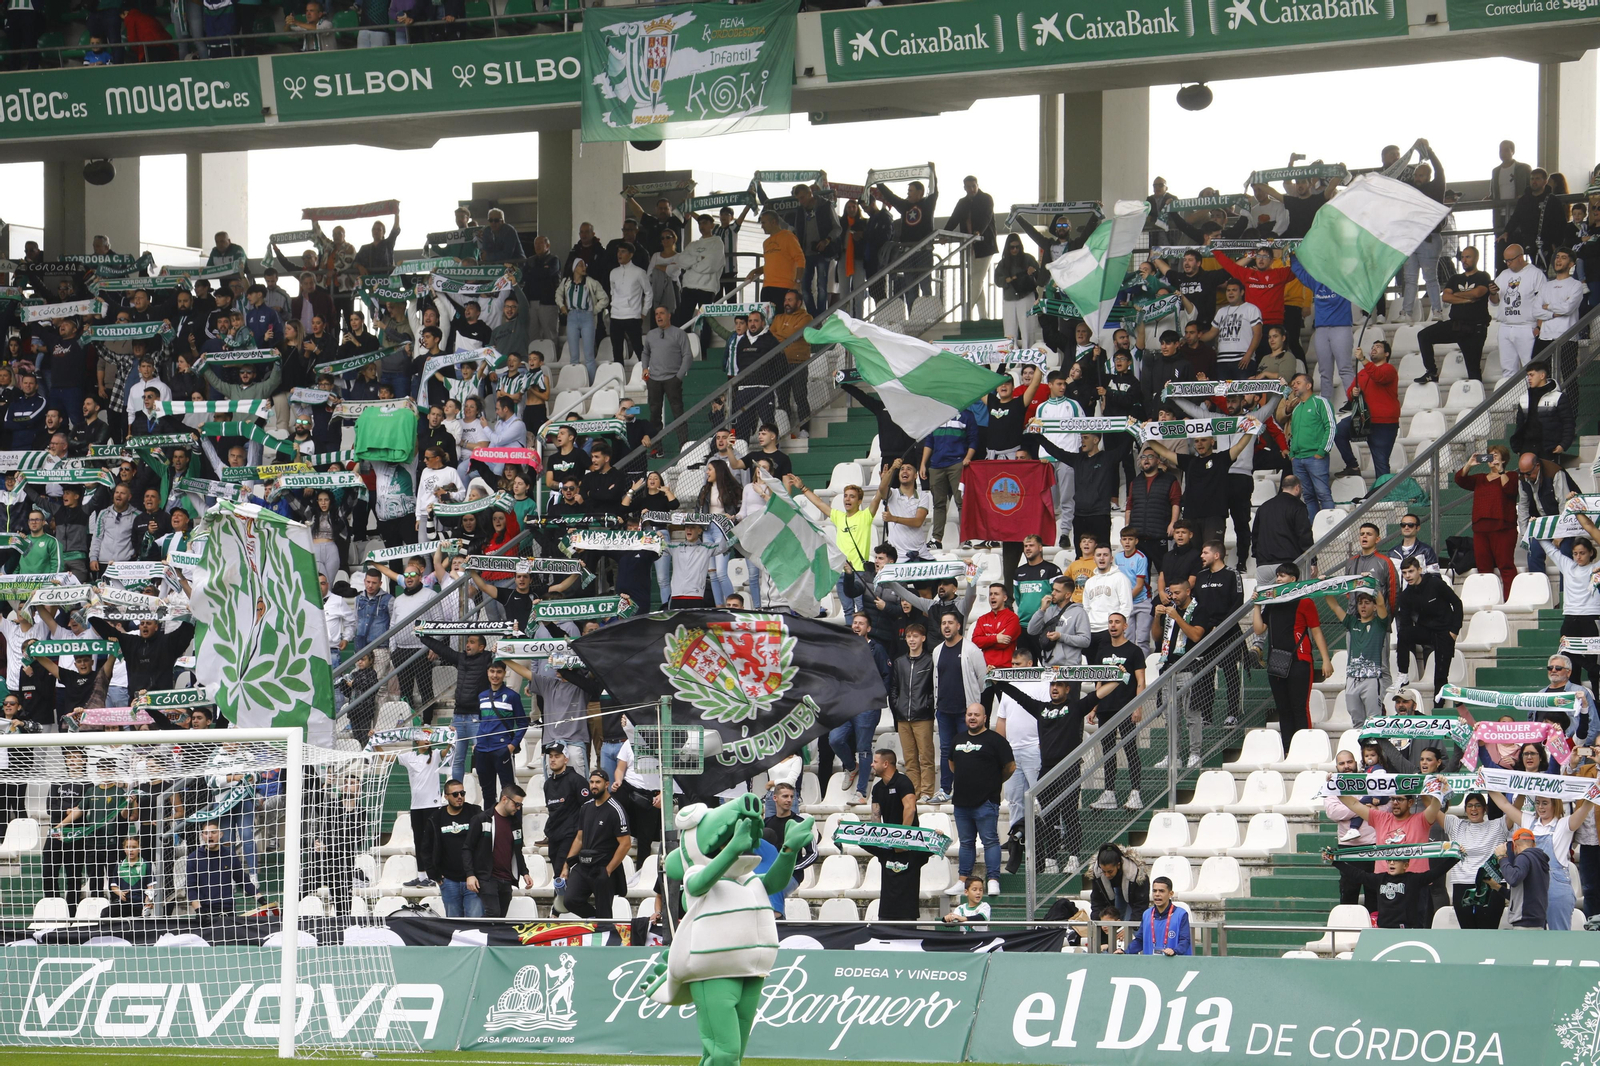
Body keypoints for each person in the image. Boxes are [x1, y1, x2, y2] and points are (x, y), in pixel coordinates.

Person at [1252, 562, 1330, 747]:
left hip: (1300, 662)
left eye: (1283, 575)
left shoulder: (1305, 601)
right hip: (1276, 662)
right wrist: (1256, 606)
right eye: (1278, 575)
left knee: (1299, 708)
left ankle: (1305, 748)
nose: (1278, 578)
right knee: (1283, 709)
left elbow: (1316, 632)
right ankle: (1288, 749)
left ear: (1293, 579)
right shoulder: (1272, 602)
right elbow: (1259, 628)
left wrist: (1326, 660)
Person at [947, 702, 1014, 896]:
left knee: (990, 841)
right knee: (966, 843)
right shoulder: (957, 739)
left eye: (977, 714)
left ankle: (993, 880)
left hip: (986, 802)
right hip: (961, 802)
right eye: (969, 714)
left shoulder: (996, 740)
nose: (972, 718)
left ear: (985, 718)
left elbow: (1010, 767)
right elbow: (952, 765)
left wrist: (993, 783)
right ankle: (963, 881)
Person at [1087, 612, 1149, 811]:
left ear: (1125, 626)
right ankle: (1109, 793)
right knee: (1107, 751)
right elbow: (1099, 681)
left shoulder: (1134, 651)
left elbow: (1141, 681)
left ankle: (1136, 793)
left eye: (1117, 622)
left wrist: (1137, 706)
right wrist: (1094, 706)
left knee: (1130, 750)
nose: (1113, 626)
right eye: (1110, 622)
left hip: (1126, 707)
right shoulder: (1102, 650)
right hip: (1105, 708)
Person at [930, 612, 986, 802]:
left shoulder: (971, 649)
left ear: (958, 626)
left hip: (965, 711)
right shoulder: (937, 650)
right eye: (943, 623)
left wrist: (972, 703)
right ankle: (945, 789)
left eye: (950, 623)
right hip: (944, 709)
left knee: (968, 750)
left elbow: (981, 680)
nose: (946, 626)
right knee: (946, 750)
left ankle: (967, 788)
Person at [1330, 851, 1457, 929]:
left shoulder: (1413, 879)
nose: (1391, 863)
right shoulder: (1380, 879)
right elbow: (1357, 874)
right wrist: (1335, 862)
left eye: (1396, 861)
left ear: (1406, 865)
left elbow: (1436, 872)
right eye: (1389, 860)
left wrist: (1454, 858)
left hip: (1406, 929)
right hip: (1383, 928)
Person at [1454, 445, 1518, 598]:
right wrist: (1469, 464)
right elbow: (1460, 480)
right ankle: (1488, 599)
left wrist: (1501, 470)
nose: (1492, 458)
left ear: (1503, 459)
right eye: (1489, 456)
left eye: (1496, 455)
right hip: (1481, 529)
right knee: (1483, 568)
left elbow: (1510, 489)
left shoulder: (1511, 475)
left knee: (1506, 566)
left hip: (1503, 528)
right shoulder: (1480, 479)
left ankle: (1511, 599)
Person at [1320, 591, 1389, 727]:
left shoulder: (1380, 624)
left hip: (1372, 678)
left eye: (1367, 603)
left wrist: (1371, 585)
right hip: (1352, 678)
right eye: (1360, 603)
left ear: (1374, 607)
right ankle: (1360, 748)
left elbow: (1381, 603)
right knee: (1356, 722)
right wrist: (1325, 587)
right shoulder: (1352, 623)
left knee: (1374, 721)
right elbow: (1335, 606)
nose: (1363, 606)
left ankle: (1376, 747)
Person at [1334, 340, 1400, 480]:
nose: (1374, 349)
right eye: (1372, 347)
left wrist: (1363, 359)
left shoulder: (1389, 369)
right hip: (1363, 418)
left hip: (1384, 424)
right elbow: (1351, 390)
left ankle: (1384, 496)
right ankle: (1352, 466)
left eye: (1378, 347)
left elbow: (1379, 376)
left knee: (1381, 463)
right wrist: (1353, 393)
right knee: (1338, 431)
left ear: (1387, 354)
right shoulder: (1364, 372)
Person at [464, 784, 532, 919]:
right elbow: (467, 848)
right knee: (493, 914)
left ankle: (488, 938)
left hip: (506, 879)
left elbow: (517, 851)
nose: (518, 808)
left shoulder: (515, 823)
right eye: (516, 804)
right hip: (487, 878)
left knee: (500, 918)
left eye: (520, 806)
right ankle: (473, 935)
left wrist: (524, 872)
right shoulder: (482, 819)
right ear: (504, 799)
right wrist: (470, 874)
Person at [1280, 373, 1335, 521]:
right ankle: (1315, 528)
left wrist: (1322, 451)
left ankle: (1332, 528)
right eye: (1293, 384)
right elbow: (1294, 433)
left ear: (1309, 385)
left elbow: (1330, 426)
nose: (1294, 386)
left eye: (1298, 383)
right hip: (1298, 459)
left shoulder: (1320, 402)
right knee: (1308, 496)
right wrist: (1292, 454)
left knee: (1323, 493)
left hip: (1315, 457)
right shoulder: (1297, 408)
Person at [426, 778, 482, 917]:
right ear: (446, 796)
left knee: (475, 925)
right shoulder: (436, 817)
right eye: (455, 794)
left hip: (473, 879)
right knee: (454, 925)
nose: (460, 797)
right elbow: (426, 848)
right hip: (449, 880)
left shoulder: (475, 813)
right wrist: (435, 874)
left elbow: (485, 843)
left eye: (462, 793)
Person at [186, 821, 266, 917]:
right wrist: (199, 911)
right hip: (206, 911)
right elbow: (191, 888)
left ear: (220, 834)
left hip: (228, 911)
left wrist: (262, 901)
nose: (210, 836)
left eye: (213, 832)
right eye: (206, 833)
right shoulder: (193, 858)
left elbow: (243, 880)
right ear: (202, 835)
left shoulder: (230, 856)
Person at [1509, 361, 1575, 472]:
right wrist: (1518, 446)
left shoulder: (1558, 397)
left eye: (1531, 375)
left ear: (1542, 375)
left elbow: (1568, 423)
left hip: (1548, 448)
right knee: (1527, 480)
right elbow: (1519, 425)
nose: (1528, 378)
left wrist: (1563, 444)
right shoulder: (1523, 399)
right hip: (1527, 447)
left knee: (1549, 480)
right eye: (1528, 375)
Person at [641, 305, 692, 450]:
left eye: (662, 313)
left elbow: (687, 356)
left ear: (669, 315)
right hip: (654, 380)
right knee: (654, 415)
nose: (658, 316)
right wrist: (645, 367)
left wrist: (679, 377)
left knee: (678, 414)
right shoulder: (651, 334)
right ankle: (657, 448)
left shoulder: (679, 333)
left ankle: (684, 447)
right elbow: (645, 353)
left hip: (672, 379)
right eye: (656, 314)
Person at [1489, 244, 1545, 372]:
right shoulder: (1503, 275)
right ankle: (1511, 392)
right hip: (1505, 326)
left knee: (1532, 368)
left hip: (1526, 326)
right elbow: (1495, 302)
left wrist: (1539, 327)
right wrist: (1492, 293)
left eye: (1510, 260)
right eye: (1506, 260)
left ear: (1520, 257)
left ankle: (1532, 392)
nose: (1507, 263)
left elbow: (1543, 303)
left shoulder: (1535, 274)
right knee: (1507, 369)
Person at [541, 742, 588, 893]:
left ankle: (556, 913)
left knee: (561, 874)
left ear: (566, 759)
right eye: (551, 756)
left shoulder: (577, 780)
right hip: (554, 835)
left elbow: (589, 808)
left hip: (571, 835)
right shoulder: (548, 784)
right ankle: (562, 909)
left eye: (557, 756)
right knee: (558, 873)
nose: (553, 759)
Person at [1499, 825, 1553, 929]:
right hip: (1537, 920)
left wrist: (1502, 857)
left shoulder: (1523, 857)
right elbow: (1522, 895)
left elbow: (1513, 879)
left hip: (1525, 921)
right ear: (1534, 844)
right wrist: (1497, 887)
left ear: (1514, 845)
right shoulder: (1539, 860)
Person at [1121, 876, 1192, 955]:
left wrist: (1175, 951)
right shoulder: (1147, 914)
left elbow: (1185, 940)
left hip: (1175, 963)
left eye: (1161, 891)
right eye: (1154, 891)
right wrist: (1125, 952)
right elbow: (1140, 940)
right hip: (1152, 964)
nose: (1157, 894)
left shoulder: (1181, 914)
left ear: (1170, 894)